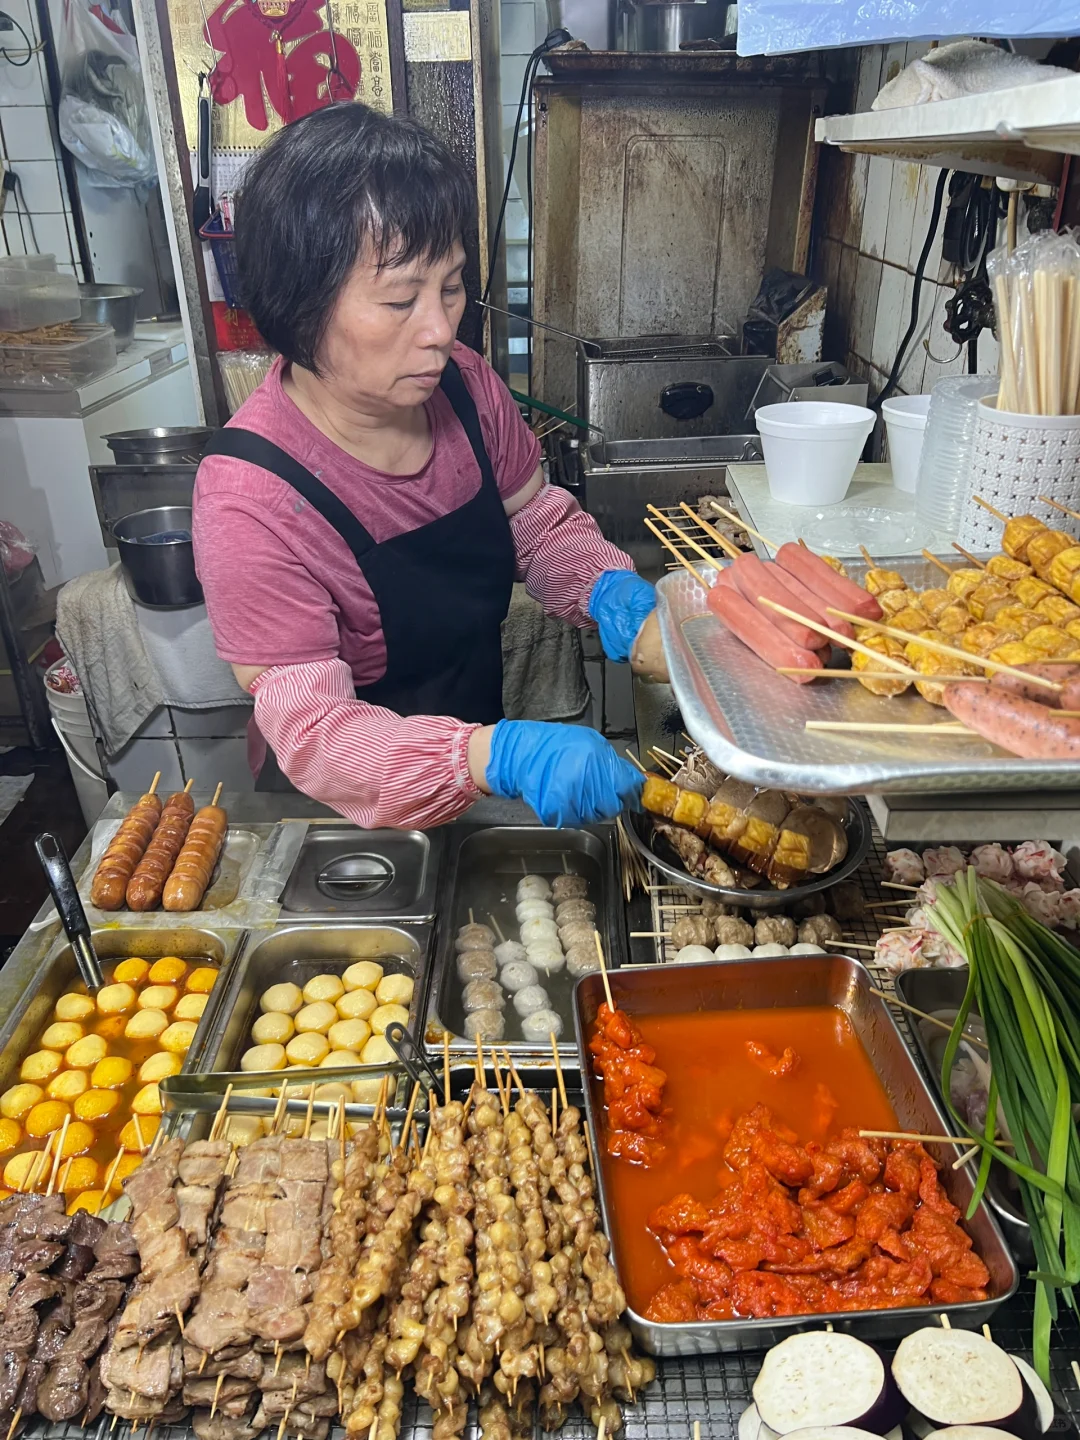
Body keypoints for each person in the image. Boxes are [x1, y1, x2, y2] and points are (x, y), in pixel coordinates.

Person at [192, 102, 668, 831]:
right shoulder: (249, 499)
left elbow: (533, 524)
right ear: (300, 306)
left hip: (469, 778)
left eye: (449, 288)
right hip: (342, 813)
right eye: (398, 299)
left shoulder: (468, 387)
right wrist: (493, 757)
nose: (441, 330)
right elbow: (316, 733)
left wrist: (608, 591)